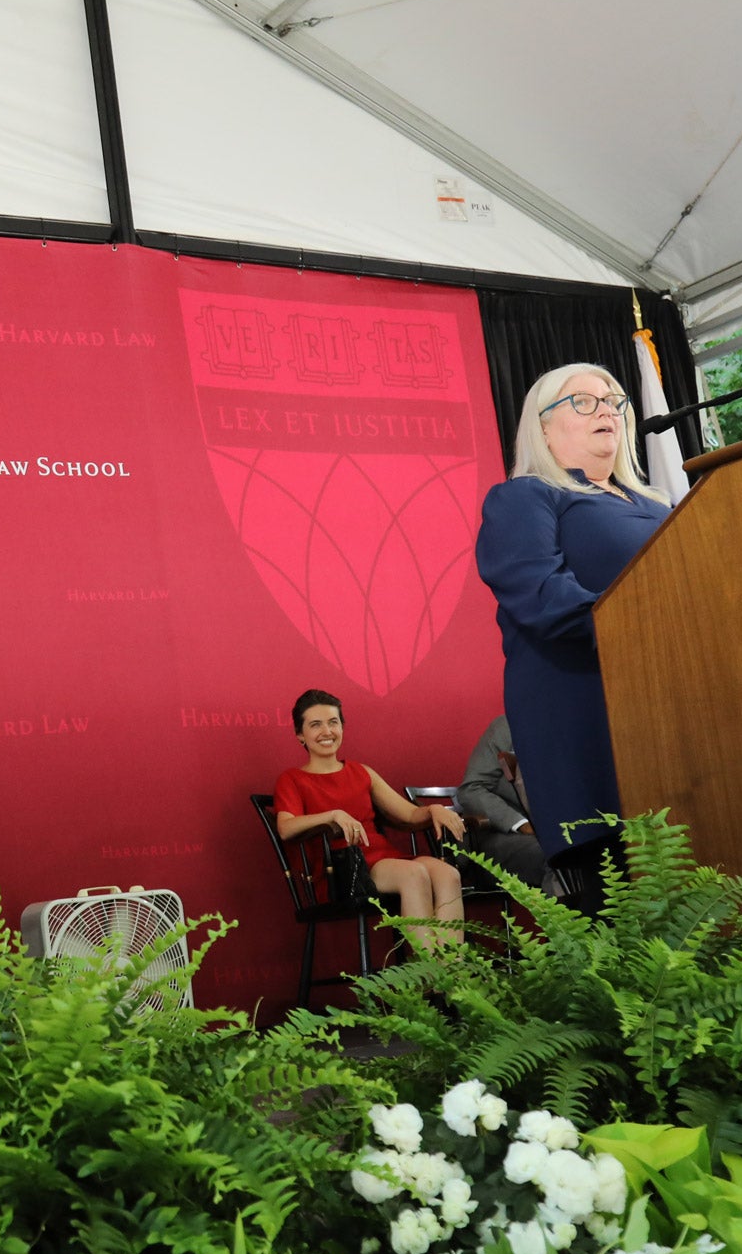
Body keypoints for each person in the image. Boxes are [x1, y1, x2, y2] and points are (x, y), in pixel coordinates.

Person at [475, 364, 673, 905]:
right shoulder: (527, 497)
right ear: (542, 426)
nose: (606, 409)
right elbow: (542, 595)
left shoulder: (659, 505)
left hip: (674, 714)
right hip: (586, 716)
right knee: (619, 910)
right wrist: (649, 625)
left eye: (613, 400)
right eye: (583, 401)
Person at [272, 688, 466, 956]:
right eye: (315, 725)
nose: (327, 731)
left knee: (448, 874)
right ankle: (430, 971)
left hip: (384, 858)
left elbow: (409, 815)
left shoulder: (361, 772)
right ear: (300, 734)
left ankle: (451, 968)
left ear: (342, 727)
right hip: (344, 869)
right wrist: (332, 815)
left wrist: (434, 809)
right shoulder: (292, 779)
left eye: (333, 722)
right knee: (414, 874)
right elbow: (285, 828)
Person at [458, 714, 550, 888]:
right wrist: (522, 824)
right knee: (556, 855)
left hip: (559, 832)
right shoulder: (508, 726)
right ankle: (566, 906)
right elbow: (471, 789)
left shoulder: (582, 727)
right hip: (502, 833)